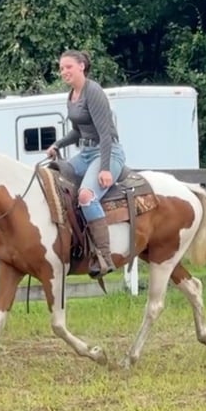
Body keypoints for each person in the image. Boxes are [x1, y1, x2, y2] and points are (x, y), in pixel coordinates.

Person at [46, 50, 126, 278]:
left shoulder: (93, 91)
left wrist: (104, 168)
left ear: (81, 66)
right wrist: (58, 144)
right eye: (61, 68)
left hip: (107, 151)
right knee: (55, 179)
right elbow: (78, 131)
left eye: (68, 67)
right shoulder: (71, 95)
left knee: (86, 196)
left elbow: (105, 134)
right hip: (86, 152)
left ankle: (103, 256)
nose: (63, 72)